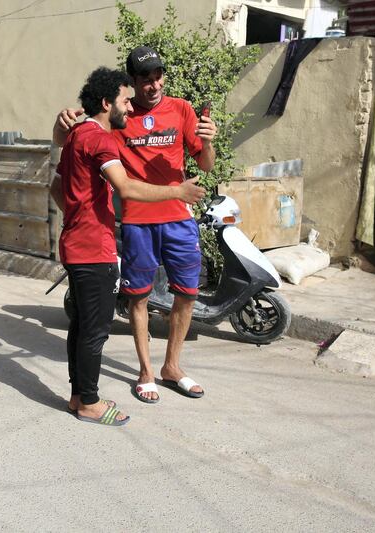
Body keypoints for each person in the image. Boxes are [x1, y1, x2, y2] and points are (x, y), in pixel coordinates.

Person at [54, 46, 217, 404]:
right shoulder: (118, 120)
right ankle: (146, 372)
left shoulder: (182, 110)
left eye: (159, 75)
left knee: (187, 294)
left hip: (178, 218)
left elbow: (204, 164)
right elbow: (75, 149)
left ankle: (172, 367)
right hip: (138, 221)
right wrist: (61, 125)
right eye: (145, 79)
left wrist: (208, 140)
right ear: (132, 83)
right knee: (138, 298)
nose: (154, 84)